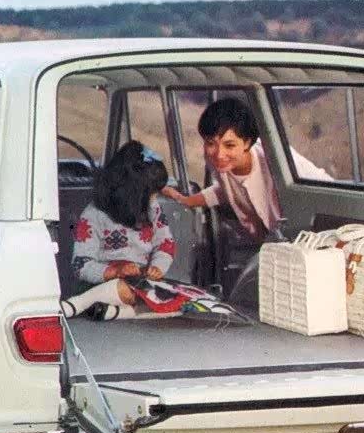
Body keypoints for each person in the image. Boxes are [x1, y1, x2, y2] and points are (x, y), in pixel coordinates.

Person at [162, 97, 330, 242]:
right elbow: (226, 190)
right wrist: (186, 200)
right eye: (210, 143)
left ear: (247, 143)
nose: (219, 154)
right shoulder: (221, 163)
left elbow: (324, 187)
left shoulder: (276, 159)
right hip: (267, 243)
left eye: (229, 145)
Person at [60, 141, 176, 321]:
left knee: (176, 301)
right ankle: (78, 304)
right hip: (101, 284)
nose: (154, 200)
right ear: (129, 194)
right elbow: (81, 265)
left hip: (139, 283)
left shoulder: (152, 209)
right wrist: (114, 271)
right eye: (150, 195)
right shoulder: (94, 215)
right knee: (124, 289)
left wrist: (158, 267)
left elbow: (165, 244)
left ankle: (113, 313)